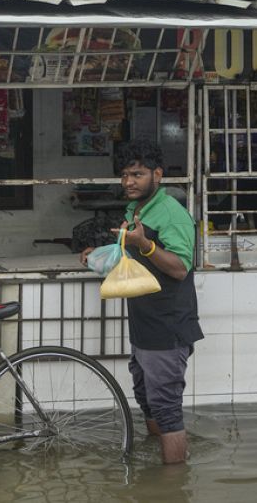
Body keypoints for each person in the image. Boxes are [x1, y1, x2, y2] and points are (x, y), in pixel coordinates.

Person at [80, 138, 203, 465]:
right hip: (144, 324)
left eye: (137, 174)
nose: (128, 182)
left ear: (157, 175)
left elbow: (179, 267)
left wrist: (145, 244)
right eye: (124, 175)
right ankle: (155, 463)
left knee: (166, 408)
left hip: (168, 325)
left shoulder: (171, 213)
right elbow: (129, 252)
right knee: (147, 400)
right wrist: (100, 255)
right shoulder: (136, 210)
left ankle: (173, 485)